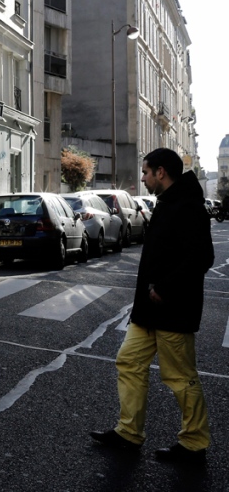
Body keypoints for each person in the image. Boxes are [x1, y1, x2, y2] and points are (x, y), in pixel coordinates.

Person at [90, 148, 213, 463]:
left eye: (145, 172)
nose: (142, 178)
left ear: (161, 172)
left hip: (173, 308)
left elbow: (201, 257)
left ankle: (194, 444)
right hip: (148, 309)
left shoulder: (187, 206)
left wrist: (166, 289)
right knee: (128, 362)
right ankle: (129, 433)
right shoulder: (169, 202)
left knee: (179, 377)